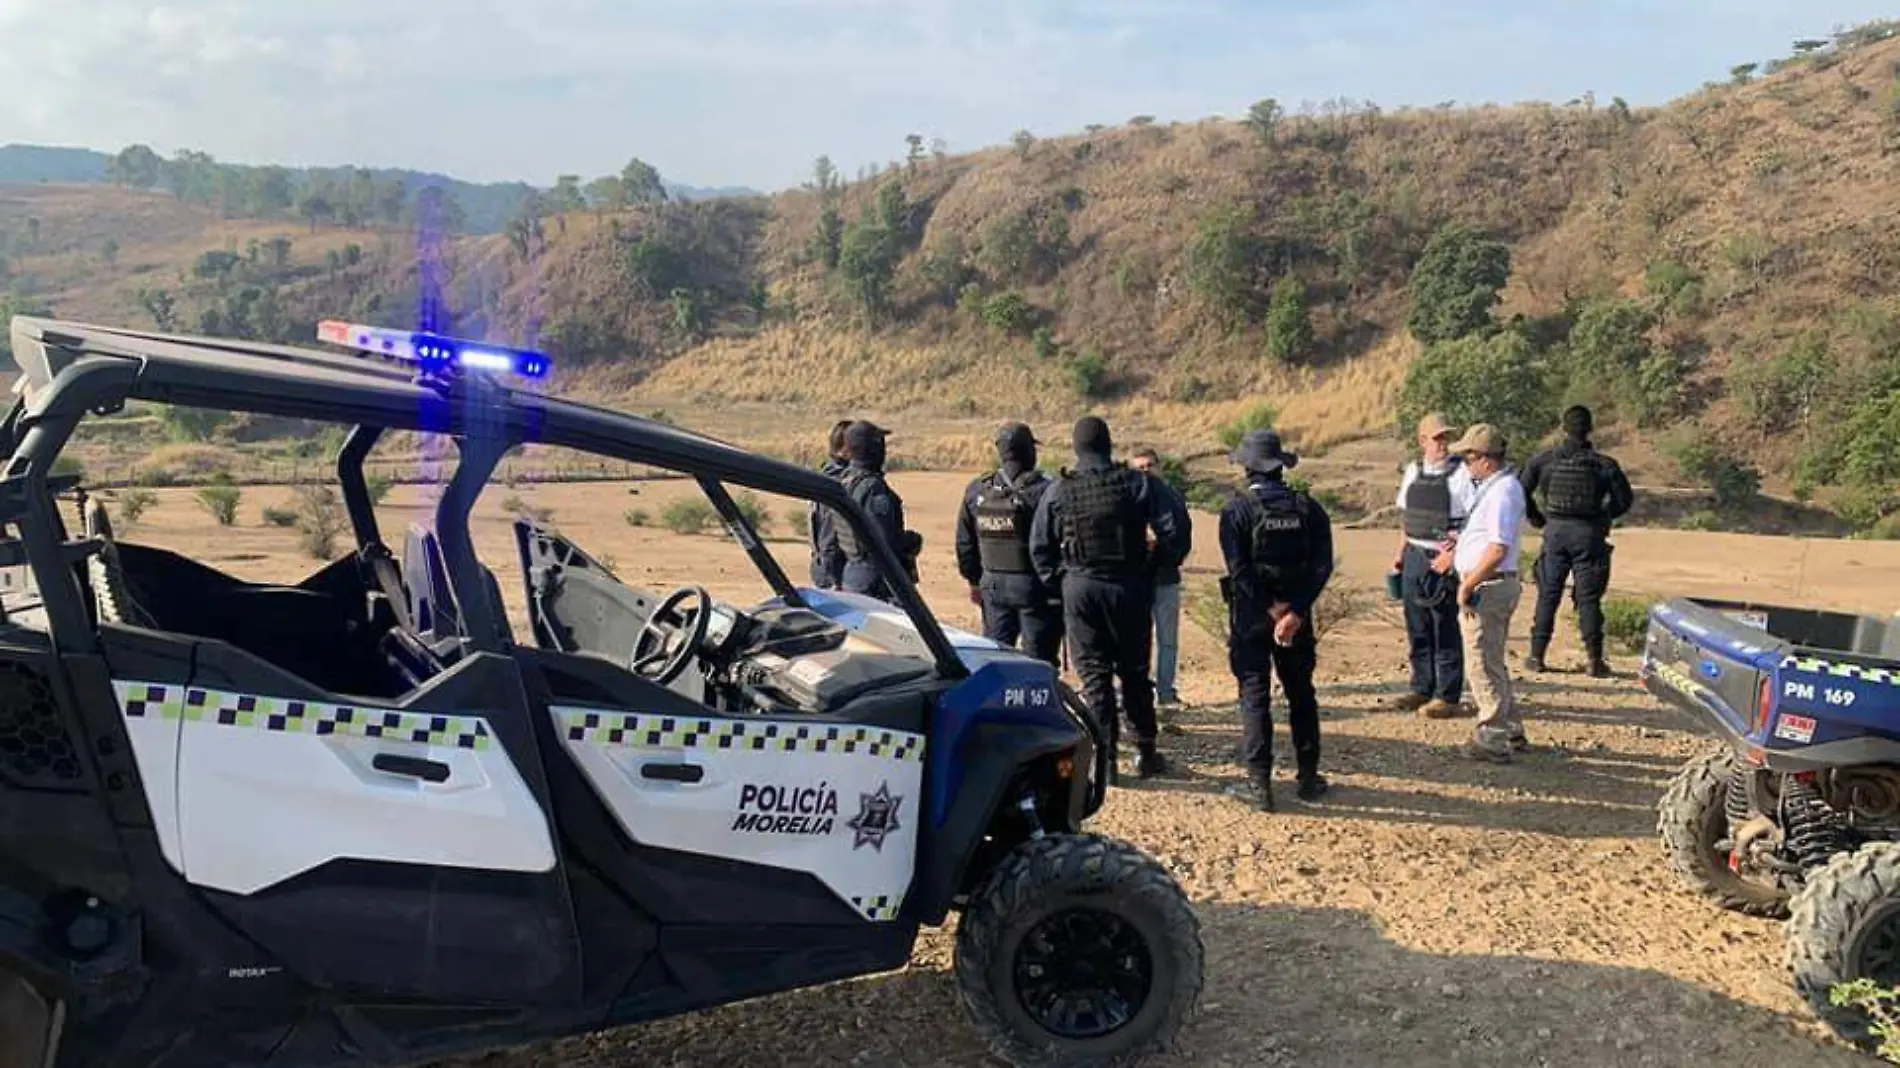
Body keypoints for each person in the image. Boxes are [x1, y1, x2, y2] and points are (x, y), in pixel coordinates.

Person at [1029, 416, 1188, 779]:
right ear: (1109, 444)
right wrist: (1154, 566)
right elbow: (1176, 528)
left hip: (1081, 589)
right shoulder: (1137, 483)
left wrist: (1062, 583)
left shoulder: (1059, 490)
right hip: (1128, 586)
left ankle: (1106, 762)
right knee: (1134, 672)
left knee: (1095, 676)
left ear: (1076, 447)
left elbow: (1039, 546)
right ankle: (1146, 751)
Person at [1218, 430, 1334, 811]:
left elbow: (1238, 570)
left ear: (1247, 466)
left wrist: (1271, 608)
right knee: (1301, 692)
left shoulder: (1236, 510)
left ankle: (1258, 783)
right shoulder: (1309, 508)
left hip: (1253, 616)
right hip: (1296, 620)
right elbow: (1321, 567)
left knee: (1254, 694)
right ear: (1281, 466)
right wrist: (1295, 611)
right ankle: (1308, 777)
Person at [1521, 405, 1635, 677]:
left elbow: (1520, 490)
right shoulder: (1604, 465)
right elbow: (1624, 501)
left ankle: (1536, 656)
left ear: (1563, 428)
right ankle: (1595, 660)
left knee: (1548, 594)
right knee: (1589, 599)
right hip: (1589, 535)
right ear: (1590, 429)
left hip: (1556, 532)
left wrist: (1538, 518)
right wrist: (1603, 518)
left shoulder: (1543, 461)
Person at [1442, 423, 1529, 763]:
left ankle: (1492, 738)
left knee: (1480, 663)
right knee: (1491, 660)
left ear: (1484, 459)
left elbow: (1497, 548)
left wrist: (1468, 583)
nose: (1466, 464)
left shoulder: (1503, 492)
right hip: (1490, 583)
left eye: (1468, 457)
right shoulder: (1497, 489)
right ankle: (1511, 730)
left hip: (1488, 586)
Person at [955, 422, 1063, 665]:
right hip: (1036, 587)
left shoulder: (978, 490)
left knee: (994, 657)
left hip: (992, 586)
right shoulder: (1047, 489)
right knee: (1039, 661)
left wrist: (973, 581)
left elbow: (965, 544)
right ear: (1029, 451)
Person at [1390, 413, 1473, 718]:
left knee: (1445, 628)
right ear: (1422, 440)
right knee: (1418, 627)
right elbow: (1408, 516)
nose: (1443, 444)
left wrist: (1453, 555)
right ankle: (1421, 687)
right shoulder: (1413, 470)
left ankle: (1447, 695)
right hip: (1415, 555)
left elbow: (1472, 522)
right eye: (1437, 438)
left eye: (1446, 438)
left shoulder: (1462, 474)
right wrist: (1400, 553)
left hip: (1444, 560)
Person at [1129, 447, 1191, 713]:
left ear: (1160, 467)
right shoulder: (1125, 499)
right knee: (1133, 640)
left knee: (1167, 641)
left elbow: (1184, 537)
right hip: (1135, 581)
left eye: (1149, 465)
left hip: (1165, 579)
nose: (1145, 472)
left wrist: (1165, 553)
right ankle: (1132, 693)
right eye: (1139, 467)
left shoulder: (1173, 498)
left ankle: (1166, 693)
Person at [833, 421, 915, 602]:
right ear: (876, 448)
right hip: (877, 583)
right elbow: (884, 543)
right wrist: (909, 542)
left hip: (853, 576)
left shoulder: (844, 482)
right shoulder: (872, 488)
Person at [807, 419, 853, 589]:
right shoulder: (839, 484)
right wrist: (835, 581)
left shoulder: (824, 476)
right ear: (846, 449)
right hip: (833, 570)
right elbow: (829, 537)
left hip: (822, 565)